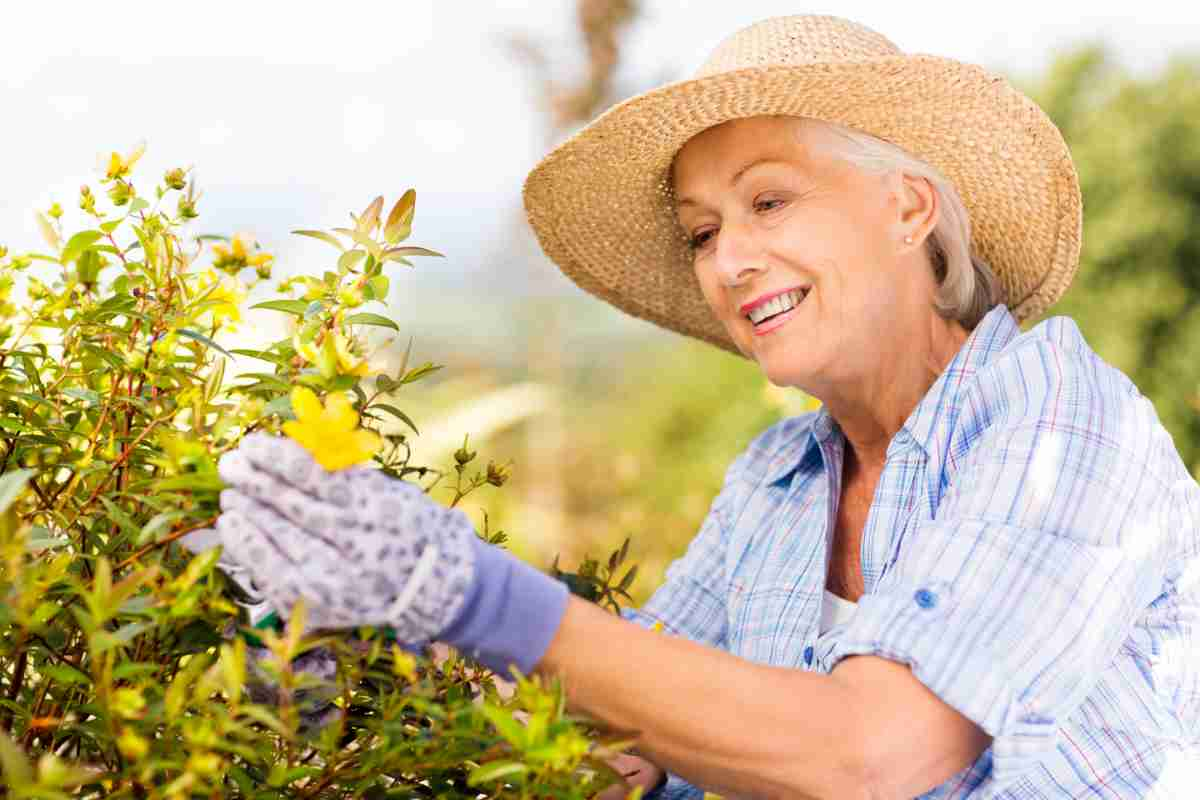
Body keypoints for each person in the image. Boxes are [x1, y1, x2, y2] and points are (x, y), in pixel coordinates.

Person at [206, 15, 1199, 799]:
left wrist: (463, 585)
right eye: (702, 232)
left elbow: (872, 755)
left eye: (769, 202)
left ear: (907, 206)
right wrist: (361, 660)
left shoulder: (1062, 421)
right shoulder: (776, 479)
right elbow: (621, 741)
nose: (728, 261)